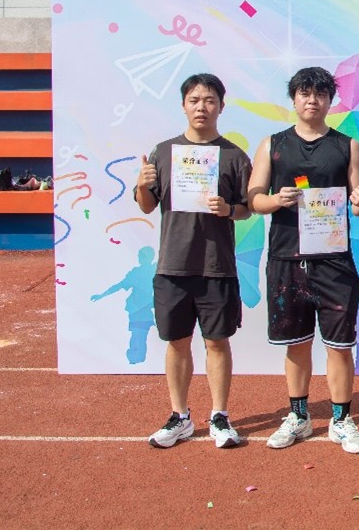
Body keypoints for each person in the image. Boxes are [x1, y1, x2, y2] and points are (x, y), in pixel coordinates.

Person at [248, 67, 359, 454]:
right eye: (304, 93)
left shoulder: (348, 146)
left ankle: (341, 419)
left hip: (334, 261)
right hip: (286, 258)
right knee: (297, 344)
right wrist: (276, 200)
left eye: (320, 94)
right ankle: (299, 416)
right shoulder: (272, 144)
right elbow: (254, 198)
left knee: (340, 345)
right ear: (294, 99)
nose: (312, 100)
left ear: (330, 101)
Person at [134, 73, 252, 450]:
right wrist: (141, 184)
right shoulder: (163, 152)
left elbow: (247, 208)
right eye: (195, 100)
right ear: (184, 105)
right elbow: (147, 205)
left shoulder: (234, 156)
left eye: (210, 100)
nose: (202, 107)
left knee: (217, 342)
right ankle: (180, 415)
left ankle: (220, 415)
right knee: (177, 342)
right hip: (173, 265)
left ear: (221, 106)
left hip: (217, 266)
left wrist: (229, 209)